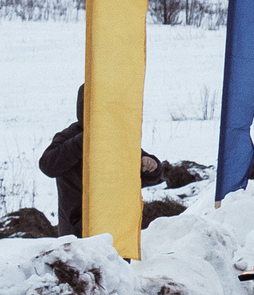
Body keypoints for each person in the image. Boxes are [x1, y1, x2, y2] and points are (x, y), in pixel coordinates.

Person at [38, 85, 192, 236]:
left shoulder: (117, 135)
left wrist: (151, 165)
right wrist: (85, 140)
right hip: (77, 233)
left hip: (115, 232)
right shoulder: (70, 135)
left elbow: (143, 176)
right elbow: (48, 166)